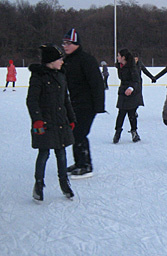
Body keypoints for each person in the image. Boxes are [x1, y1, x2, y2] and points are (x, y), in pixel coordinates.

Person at [26, 43, 76, 201]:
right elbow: (32, 100)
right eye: (60, 59)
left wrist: (71, 118)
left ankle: (64, 183)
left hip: (61, 121)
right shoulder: (38, 77)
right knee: (44, 153)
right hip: (45, 123)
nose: (62, 62)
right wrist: (37, 120)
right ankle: (39, 185)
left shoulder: (61, 75)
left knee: (61, 153)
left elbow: (66, 100)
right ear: (51, 61)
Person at [62, 28, 105, 179]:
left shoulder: (86, 60)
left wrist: (99, 106)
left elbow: (97, 83)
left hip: (87, 105)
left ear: (76, 44)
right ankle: (79, 162)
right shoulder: (66, 60)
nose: (65, 46)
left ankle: (86, 165)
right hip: (73, 104)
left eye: (68, 43)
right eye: (64, 43)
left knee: (80, 133)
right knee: (74, 134)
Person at [113, 49, 143, 144]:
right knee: (121, 113)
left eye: (118, 56)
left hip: (131, 94)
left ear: (123, 57)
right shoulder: (120, 66)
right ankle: (117, 132)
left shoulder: (132, 67)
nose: (117, 57)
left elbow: (136, 80)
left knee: (131, 113)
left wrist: (131, 88)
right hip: (123, 92)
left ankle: (134, 132)